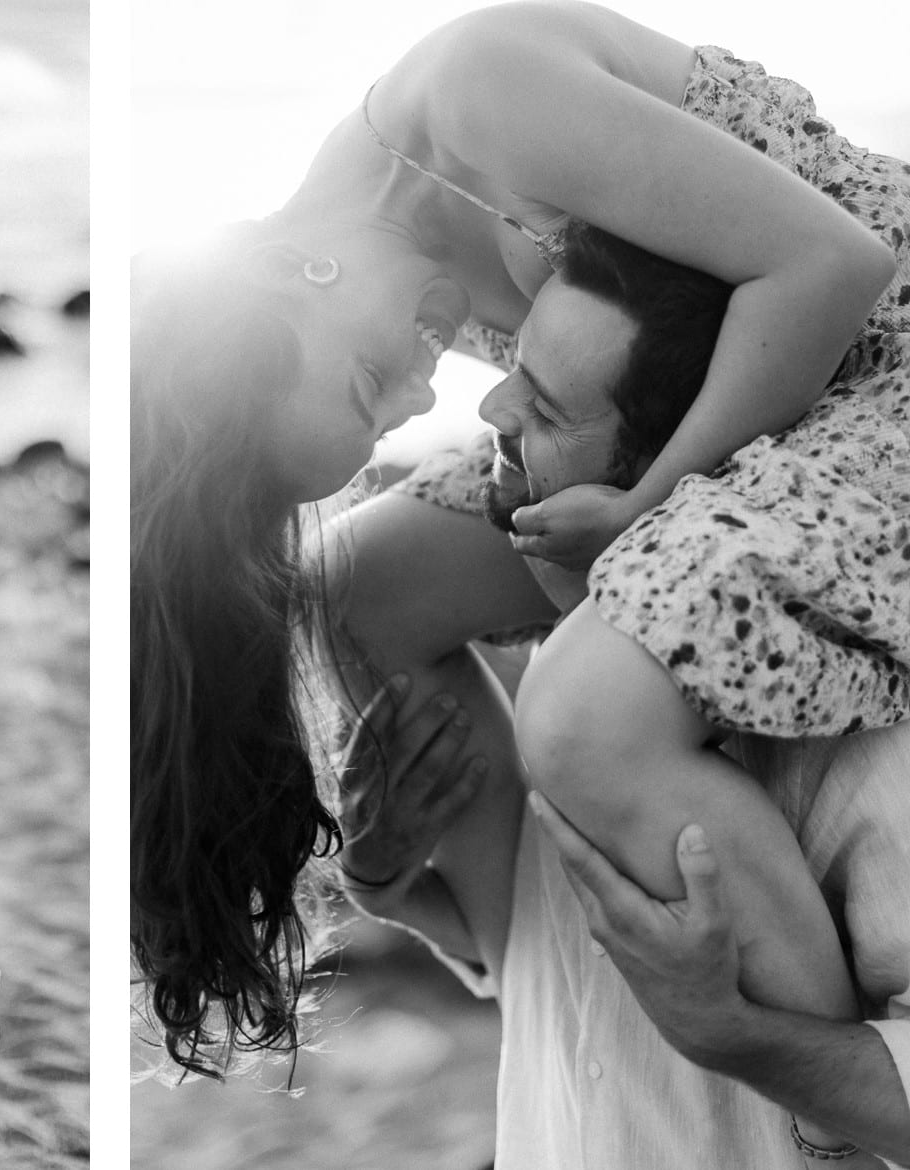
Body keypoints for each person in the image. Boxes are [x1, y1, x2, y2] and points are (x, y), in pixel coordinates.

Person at [130, 0, 910, 1081]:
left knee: (588, 717)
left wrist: (644, 517)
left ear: (275, 278)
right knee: (352, 586)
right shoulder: (387, 259)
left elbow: (835, 265)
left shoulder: (477, 97)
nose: (424, 392)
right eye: (383, 417)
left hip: (882, 373)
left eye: (371, 382)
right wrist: (384, 883)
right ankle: (521, 942)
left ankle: (824, 1100)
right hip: (767, 409)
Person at [330, 222, 910, 1164]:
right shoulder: (561, 687)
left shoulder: (875, 744)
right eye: (514, 370)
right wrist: (393, 892)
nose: (495, 414)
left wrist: (732, 1035)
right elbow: (544, 969)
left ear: (669, 479)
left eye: (549, 410)